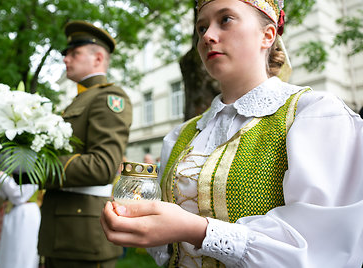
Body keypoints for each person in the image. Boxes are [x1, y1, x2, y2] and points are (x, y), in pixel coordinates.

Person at [100, 0, 363, 267]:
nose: (207, 36)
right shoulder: (183, 134)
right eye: (202, 27)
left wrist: (199, 231)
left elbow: (323, 246)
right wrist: (138, 223)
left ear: (268, 34)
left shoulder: (314, 115)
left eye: (225, 20)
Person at [37, 20, 132, 268]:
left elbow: (103, 166)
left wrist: (36, 167)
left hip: (83, 237)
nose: (66, 59)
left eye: (73, 53)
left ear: (98, 58)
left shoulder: (109, 98)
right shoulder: (79, 100)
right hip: (63, 230)